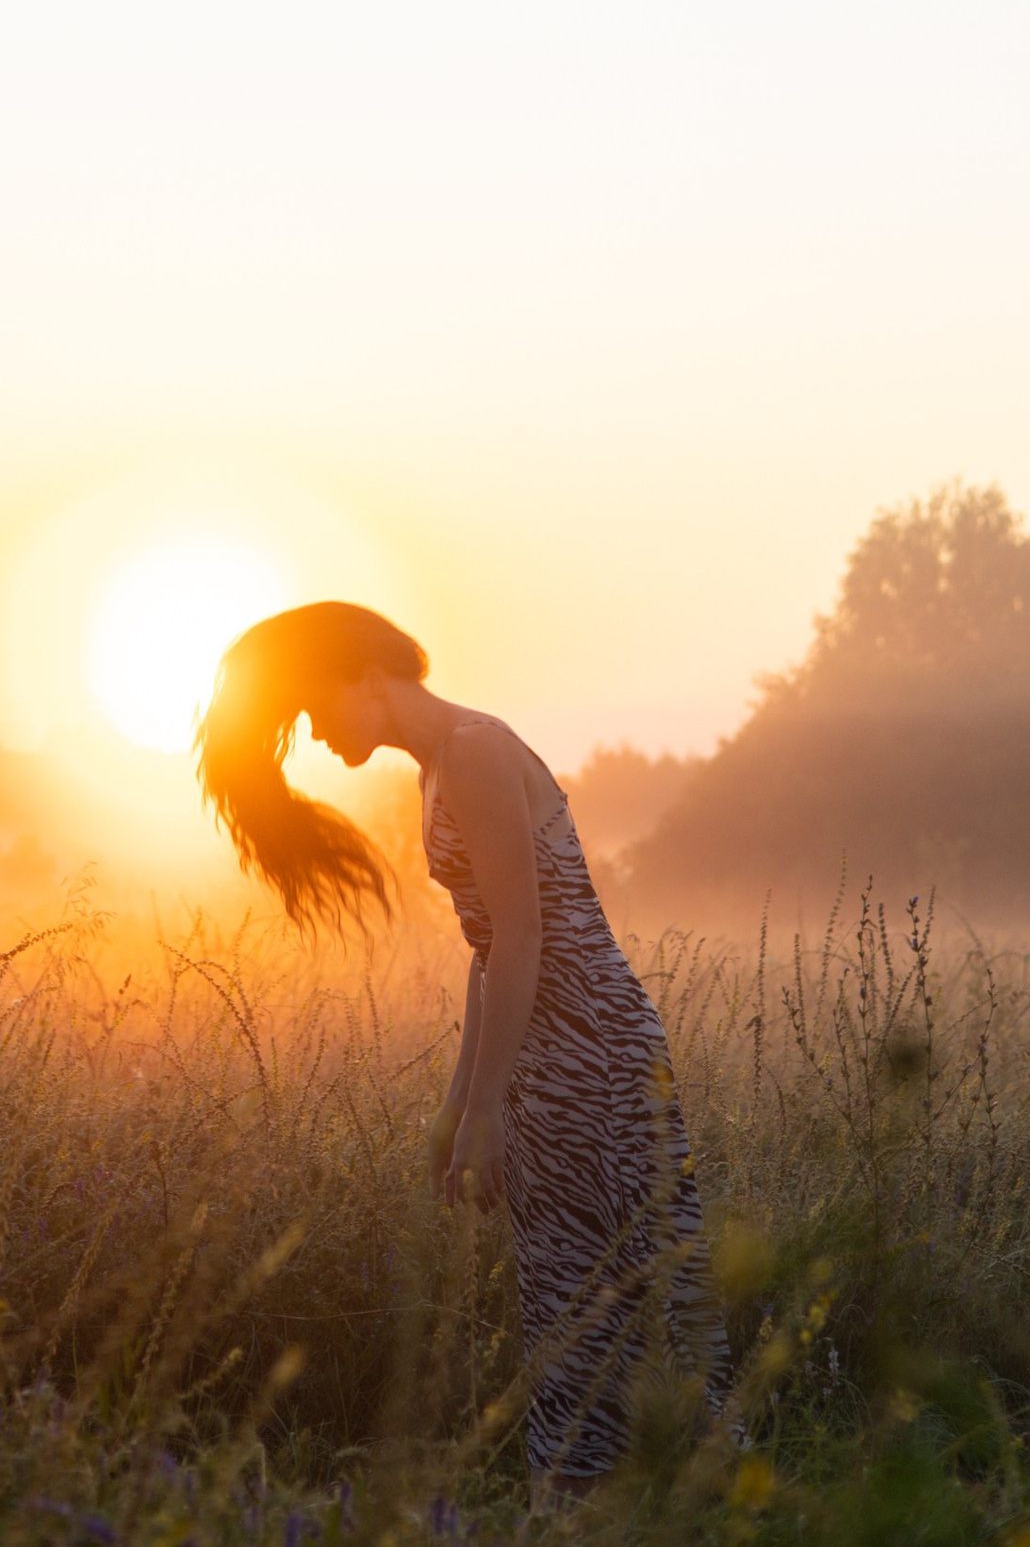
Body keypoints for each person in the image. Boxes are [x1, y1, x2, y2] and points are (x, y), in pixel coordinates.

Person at [195, 599, 726, 1493]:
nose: (315, 733)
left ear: (366, 676)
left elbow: (524, 936)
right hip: (546, 1043)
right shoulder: (438, 767)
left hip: (592, 1042)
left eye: (316, 708)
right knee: (575, 1289)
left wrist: (484, 1109)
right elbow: (489, 952)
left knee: (621, 1283)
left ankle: (635, 1500)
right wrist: (458, 1105)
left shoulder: (475, 750)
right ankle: (600, 1506)